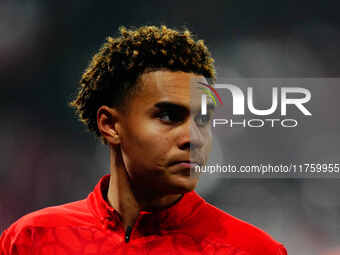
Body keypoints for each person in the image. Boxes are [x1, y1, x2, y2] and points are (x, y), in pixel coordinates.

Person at [0, 25, 287, 254]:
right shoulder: (31, 240)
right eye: (168, 116)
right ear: (110, 125)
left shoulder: (253, 249)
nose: (193, 138)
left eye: (202, 119)